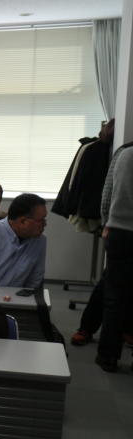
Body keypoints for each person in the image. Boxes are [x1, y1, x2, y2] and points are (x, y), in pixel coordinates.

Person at [95, 144, 133, 372]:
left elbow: (107, 193)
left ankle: (108, 356)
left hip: (119, 231)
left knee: (114, 298)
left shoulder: (125, 154)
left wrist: (106, 222)